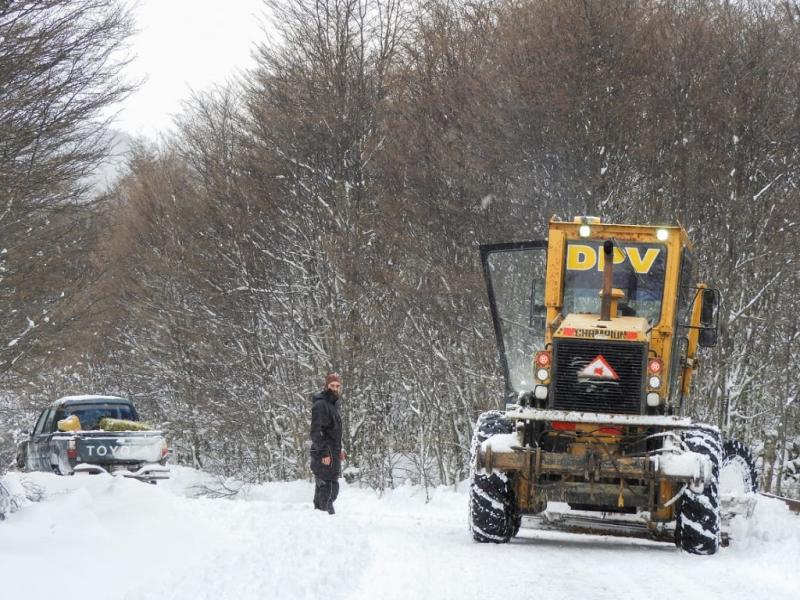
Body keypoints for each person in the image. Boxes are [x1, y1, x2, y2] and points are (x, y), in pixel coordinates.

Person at [310, 372, 345, 514]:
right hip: (324, 454)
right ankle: (327, 521)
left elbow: (333, 432)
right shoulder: (321, 405)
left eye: (338, 386)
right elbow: (316, 432)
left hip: (333, 453)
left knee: (326, 489)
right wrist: (324, 452)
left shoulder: (333, 405)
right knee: (329, 490)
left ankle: (319, 519)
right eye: (332, 385)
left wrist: (340, 450)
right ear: (326, 386)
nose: (335, 388)